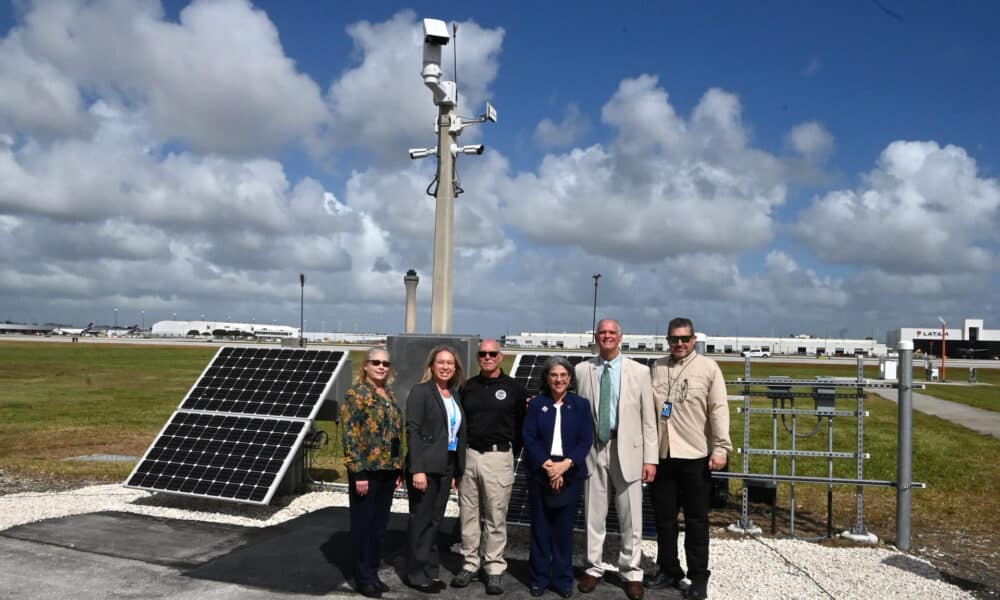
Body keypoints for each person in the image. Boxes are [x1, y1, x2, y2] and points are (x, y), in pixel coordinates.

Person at [643, 318, 732, 600]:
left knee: (696, 521)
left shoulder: (708, 369)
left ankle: (698, 577)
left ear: (693, 340)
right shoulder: (656, 368)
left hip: (695, 456)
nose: (679, 344)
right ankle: (669, 568)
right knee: (665, 520)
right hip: (663, 455)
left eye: (684, 339)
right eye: (673, 339)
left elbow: (718, 408)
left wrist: (721, 447)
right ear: (667, 340)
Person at [575, 318, 658, 600]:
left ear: (620, 337)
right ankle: (593, 567)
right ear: (596, 337)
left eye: (612, 332)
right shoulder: (582, 370)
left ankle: (632, 571)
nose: (607, 336)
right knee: (593, 514)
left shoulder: (639, 372)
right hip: (594, 449)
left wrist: (651, 459)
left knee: (631, 516)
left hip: (629, 450)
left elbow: (649, 420)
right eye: (602, 332)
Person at [452, 339, 528, 595]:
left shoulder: (514, 388)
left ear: (500, 356)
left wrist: (508, 455)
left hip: (499, 457)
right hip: (470, 455)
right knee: (469, 513)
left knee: (496, 516)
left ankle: (494, 568)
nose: (487, 357)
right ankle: (470, 563)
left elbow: (521, 426)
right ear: (478, 357)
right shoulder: (467, 387)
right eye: (483, 354)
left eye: (492, 353)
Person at [523, 356, 594, 598]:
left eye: (564, 375)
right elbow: (529, 438)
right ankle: (539, 577)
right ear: (546, 378)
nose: (559, 379)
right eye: (554, 375)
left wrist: (564, 466)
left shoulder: (581, 405)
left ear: (570, 379)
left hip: (570, 472)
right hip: (540, 472)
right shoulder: (536, 405)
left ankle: (563, 579)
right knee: (541, 528)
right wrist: (548, 466)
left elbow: (586, 440)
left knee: (563, 530)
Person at [340, 348, 404, 599]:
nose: (381, 367)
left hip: (388, 470)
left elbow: (396, 434)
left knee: (379, 526)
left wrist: (398, 466)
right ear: (365, 366)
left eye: (385, 364)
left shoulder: (390, 394)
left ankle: (373, 572)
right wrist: (358, 473)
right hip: (366, 471)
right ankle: (362, 576)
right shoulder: (355, 395)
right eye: (376, 362)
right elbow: (350, 435)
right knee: (363, 525)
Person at [404, 345, 468, 593]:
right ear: (432, 366)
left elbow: (456, 433)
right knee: (421, 520)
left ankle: (429, 570)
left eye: (450, 363)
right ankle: (416, 573)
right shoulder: (421, 392)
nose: (445, 367)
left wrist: (455, 470)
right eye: (441, 362)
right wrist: (417, 469)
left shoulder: (454, 394)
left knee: (434, 520)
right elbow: (413, 430)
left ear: (456, 368)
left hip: (446, 466)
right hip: (426, 468)